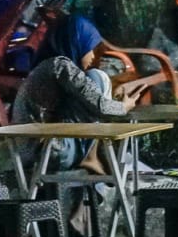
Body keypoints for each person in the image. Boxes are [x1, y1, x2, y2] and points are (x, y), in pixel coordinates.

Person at [11, 14, 155, 171]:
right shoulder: (60, 65)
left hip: (33, 151)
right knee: (98, 77)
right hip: (49, 152)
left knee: (92, 86)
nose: (93, 57)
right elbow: (101, 107)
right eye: (91, 49)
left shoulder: (46, 67)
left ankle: (94, 155)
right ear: (76, 42)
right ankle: (91, 157)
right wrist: (124, 106)